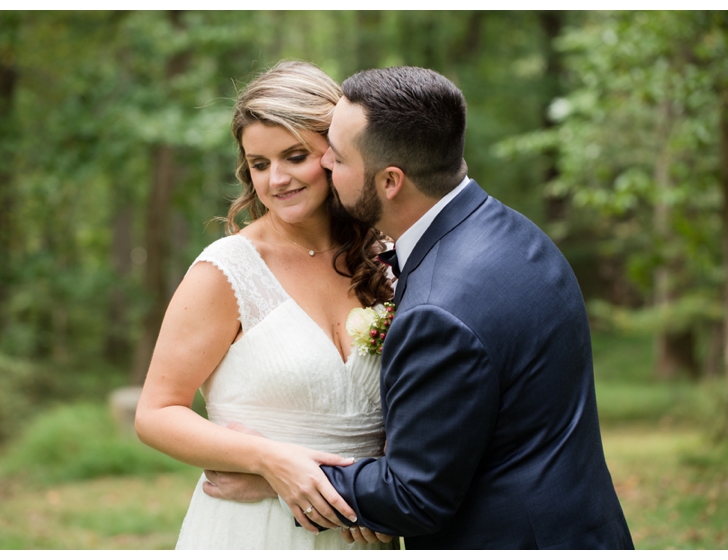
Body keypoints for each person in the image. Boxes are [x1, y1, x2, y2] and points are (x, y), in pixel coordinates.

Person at [212, 66, 635, 549]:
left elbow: (414, 495)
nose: (325, 162)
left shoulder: (438, 308)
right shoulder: (516, 234)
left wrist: (278, 478)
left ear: (390, 181)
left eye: (339, 156)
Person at [134, 60, 397, 550]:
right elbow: (156, 412)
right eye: (259, 164)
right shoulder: (227, 271)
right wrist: (267, 462)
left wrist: (382, 489)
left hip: (365, 529)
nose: (276, 179)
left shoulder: (387, 259)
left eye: (295, 156)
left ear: (337, 153)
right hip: (253, 532)